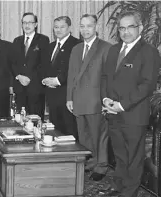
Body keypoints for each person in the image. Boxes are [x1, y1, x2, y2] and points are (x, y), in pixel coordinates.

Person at [99, 11, 160, 197]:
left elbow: (147, 85)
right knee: (119, 154)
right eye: (122, 28)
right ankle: (119, 186)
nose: (125, 32)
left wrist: (121, 105)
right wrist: (105, 99)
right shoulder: (114, 49)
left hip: (133, 114)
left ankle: (130, 192)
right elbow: (105, 78)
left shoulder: (148, 51)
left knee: (134, 156)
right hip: (112, 112)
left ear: (140, 28)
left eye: (130, 27)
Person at [66, 14, 111, 182]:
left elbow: (108, 77)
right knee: (84, 135)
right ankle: (90, 162)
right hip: (78, 99)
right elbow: (71, 75)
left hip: (96, 100)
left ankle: (102, 166)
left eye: (89, 26)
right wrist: (69, 98)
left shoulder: (106, 48)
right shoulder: (76, 49)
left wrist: (106, 100)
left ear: (96, 27)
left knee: (99, 135)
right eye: (82, 26)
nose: (85, 30)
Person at [42, 16, 81, 138]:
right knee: (56, 131)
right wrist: (45, 79)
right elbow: (45, 66)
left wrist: (58, 80)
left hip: (67, 97)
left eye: (62, 27)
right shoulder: (50, 46)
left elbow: (76, 69)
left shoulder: (77, 45)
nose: (58, 30)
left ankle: (72, 156)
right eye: (56, 27)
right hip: (52, 97)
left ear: (69, 28)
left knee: (69, 131)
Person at [12, 12, 50, 118]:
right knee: (20, 121)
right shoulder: (17, 41)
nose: (27, 25)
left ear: (36, 24)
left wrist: (29, 78)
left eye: (30, 22)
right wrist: (19, 76)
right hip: (20, 88)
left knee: (35, 121)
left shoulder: (43, 40)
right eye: (24, 22)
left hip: (36, 88)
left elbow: (44, 64)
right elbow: (13, 63)